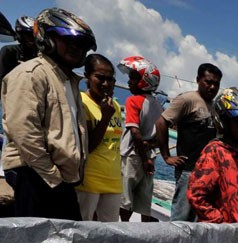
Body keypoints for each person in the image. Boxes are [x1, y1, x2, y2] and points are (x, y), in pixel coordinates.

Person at [1, 8, 96, 220]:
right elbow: (24, 133)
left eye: (81, 44)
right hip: (35, 174)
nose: (75, 48)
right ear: (47, 37)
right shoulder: (31, 74)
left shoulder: (69, 81)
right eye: (67, 40)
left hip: (57, 178)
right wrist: (53, 177)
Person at [155, 62, 222, 222]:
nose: (212, 87)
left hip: (207, 173)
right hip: (188, 171)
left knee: (196, 220)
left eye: (216, 84)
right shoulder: (187, 99)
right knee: (181, 218)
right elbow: (161, 123)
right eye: (208, 82)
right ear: (198, 80)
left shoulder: (214, 107)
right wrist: (166, 156)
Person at [187, 87, 238, 223]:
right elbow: (196, 195)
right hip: (217, 234)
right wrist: (220, 223)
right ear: (224, 120)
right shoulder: (215, 151)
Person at [75, 54, 123, 221]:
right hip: (89, 180)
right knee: (82, 228)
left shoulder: (114, 105)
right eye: (100, 78)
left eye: (110, 80)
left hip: (114, 180)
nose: (106, 84)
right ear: (87, 76)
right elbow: (87, 146)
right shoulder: (81, 102)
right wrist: (104, 119)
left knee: (110, 234)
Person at [117, 55, 163, 222]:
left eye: (133, 78)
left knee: (125, 200)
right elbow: (160, 136)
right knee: (144, 199)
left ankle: (124, 228)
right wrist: (148, 153)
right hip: (150, 156)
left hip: (133, 156)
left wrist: (143, 159)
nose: (129, 81)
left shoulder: (132, 101)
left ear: (144, 81)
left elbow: (135, 132)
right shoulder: (158, 105)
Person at [0, 16, 37, 81]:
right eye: (27, 34)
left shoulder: (42, 53)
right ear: (20, 35)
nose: (31, 38)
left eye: (33, 34)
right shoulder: (9, 51)